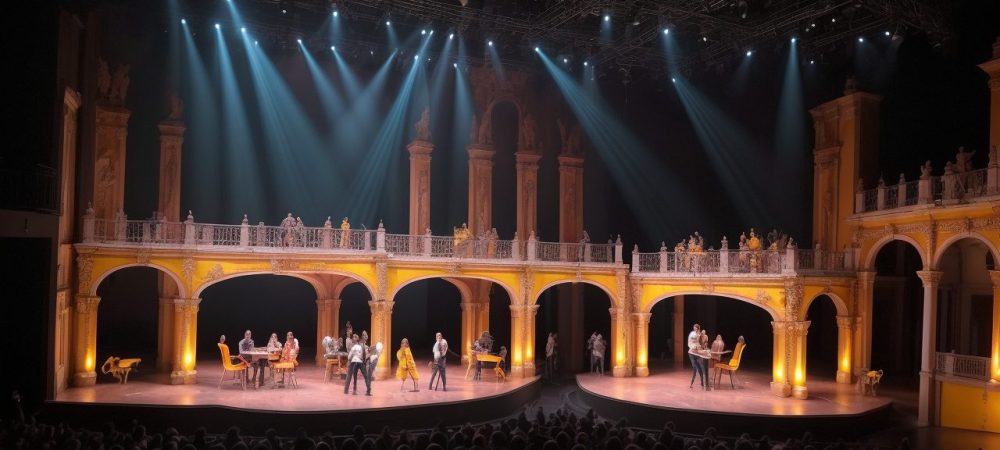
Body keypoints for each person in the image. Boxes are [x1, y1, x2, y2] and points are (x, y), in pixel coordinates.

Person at [688, 324, 707, 389]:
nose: (695, 329)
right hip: (692, 352)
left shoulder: (700, 334)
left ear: (698, 328)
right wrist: (693, 346)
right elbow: (689, 342)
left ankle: (703, 382)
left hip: (698, 351)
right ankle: (691, 383)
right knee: (695, 368)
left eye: (696, 328)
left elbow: (702, 342)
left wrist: (703, 346)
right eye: (694, 328)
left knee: (701, 367)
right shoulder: (692, 334)